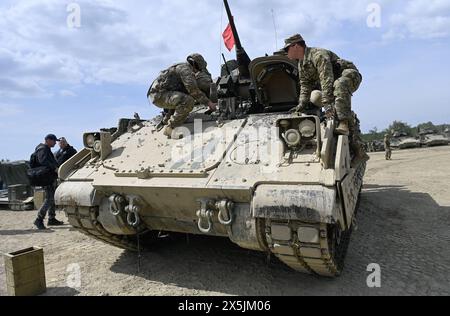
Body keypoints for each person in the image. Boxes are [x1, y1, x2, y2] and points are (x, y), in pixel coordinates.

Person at [284, 34, 369, 165]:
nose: (286, 52)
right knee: (325, 97)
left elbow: (326, 80)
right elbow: (305, 86)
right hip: (333, 84)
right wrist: (300, 105)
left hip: (349, 77)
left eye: (287, 49)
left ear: (296, 46)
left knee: (338, 86)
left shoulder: (318, 55)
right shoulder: (302, 64)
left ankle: (344, 122)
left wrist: (327, 104)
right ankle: (358, 150)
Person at [148, 53, 217, 137]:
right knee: (187, 101)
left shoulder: (183, 67)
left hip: (161, 95)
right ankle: (170, 128)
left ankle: (167, 121)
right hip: (158, 95)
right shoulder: (185, 70)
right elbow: (193, 90)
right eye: (198, 69)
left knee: (183, 97)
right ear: (195, 64)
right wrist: (209, 103)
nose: (197, 72)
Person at [33, 134, 64, 230]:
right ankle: (39, 219)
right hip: (46, 178)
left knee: (52, 198)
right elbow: (43, 161)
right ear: (47, 140)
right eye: (54, 140)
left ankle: (51, 218)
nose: (55, 142)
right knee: (49, 198)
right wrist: (54, 168)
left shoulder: (45, 149)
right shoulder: (43, 149)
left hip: (49, 177)